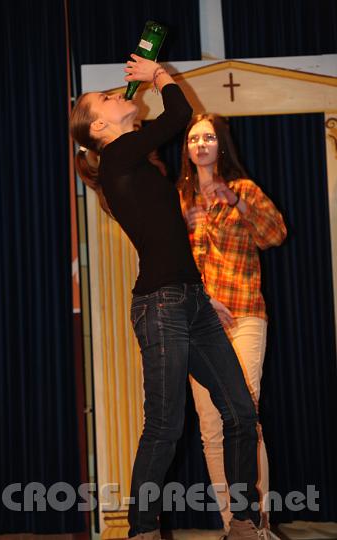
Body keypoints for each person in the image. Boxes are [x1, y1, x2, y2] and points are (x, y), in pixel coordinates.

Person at [70, 55, 267, 540]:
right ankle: (142, 530)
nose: (120, 97)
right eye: (110, 99)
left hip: (192, 300)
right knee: (165, 425)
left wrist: (204, 293)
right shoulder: (116, 156)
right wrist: (157, 76)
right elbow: (178, 117)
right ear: (99, 126)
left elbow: (168, 237)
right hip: (160, 307)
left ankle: (241, 522)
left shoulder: (132, 160)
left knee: (241, 412)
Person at [178, 113, 287, 538]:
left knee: (245, 415)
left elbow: (274, 233)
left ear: (220, 145)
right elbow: (167, 262)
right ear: (187, 148)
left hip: (243, 313)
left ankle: (257, 523)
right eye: (193, 138)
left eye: (208, 137)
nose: (201, 143)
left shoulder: (243, 189)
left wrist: (238, 203)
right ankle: (232, 525)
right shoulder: (181, 197)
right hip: (200, 319)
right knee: (210, 427)